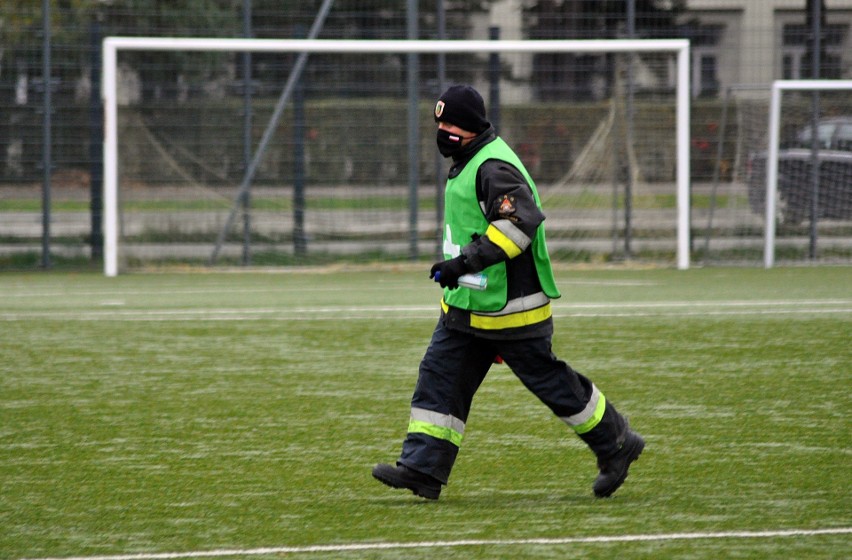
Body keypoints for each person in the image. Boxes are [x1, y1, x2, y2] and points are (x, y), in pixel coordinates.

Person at [372, 85, 644, 500]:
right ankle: (422, 470)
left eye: (449, 124)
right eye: (438, 123)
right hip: (468, 307)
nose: (442, 131)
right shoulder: (469, 159)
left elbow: (518, 226)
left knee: (553, 385)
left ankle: (618, 443)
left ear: (470, 127)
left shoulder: (493, 167)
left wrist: (461, 264)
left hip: (510, 310)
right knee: (439, 380)